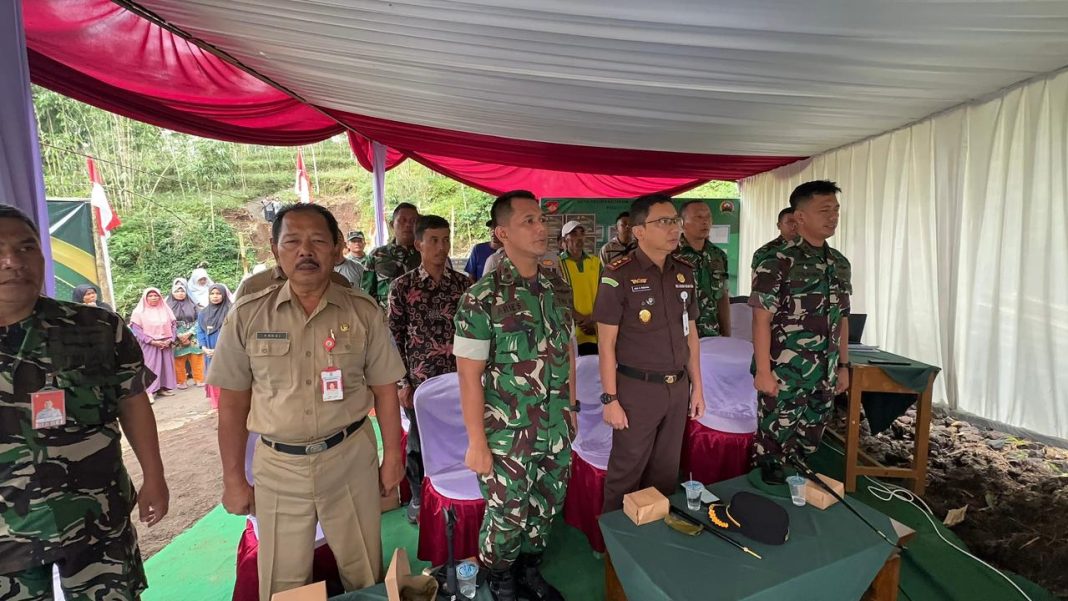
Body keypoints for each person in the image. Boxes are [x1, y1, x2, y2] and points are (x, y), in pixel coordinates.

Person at [209, 203, 406, 600]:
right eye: (292, 241)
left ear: (336, 248)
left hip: (350, 457)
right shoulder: (248, 315)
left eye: (317, 240)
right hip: (278, 467)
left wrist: (392, 459)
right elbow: (231, 404)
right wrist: (233, 478)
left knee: (363, 570)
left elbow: (386, 390)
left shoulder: (363, 311)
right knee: (283, 581)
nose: (305, 251)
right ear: (275, 249)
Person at [0, 204, 168, 599]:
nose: (13, 262)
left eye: (26, 247)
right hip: (6, 532)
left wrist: (154, 476)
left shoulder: (97, 327)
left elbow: (132, 402)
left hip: (97, 515)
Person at [453, 190, 577, 601]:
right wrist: (476, 442)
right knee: (506, 515)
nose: (542, 228)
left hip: (555, 426)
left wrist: (572, 409)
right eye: (529, 221)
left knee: (547, 505)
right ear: (502, 233)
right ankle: (501, 577)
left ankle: (529, 569)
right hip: (507, 435)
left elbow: (567, 352)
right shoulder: (480, 298)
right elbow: (468, 377)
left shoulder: (557, 288)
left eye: (542, 219)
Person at [592, 194, 706, 512]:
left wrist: (697, 387)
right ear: (639, 231)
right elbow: (605, 344)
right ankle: (614, 540)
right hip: (637, 389)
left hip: (677, 387)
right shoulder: (618, 273)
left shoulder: (684, 272)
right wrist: (610, 399)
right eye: (663, 222)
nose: (674, 228)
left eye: (675, 221)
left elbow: (691, 335)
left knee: (666, 473)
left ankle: (655, 534)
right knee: (626, 472)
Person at [749, 180, 852, 484]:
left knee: (808, 444)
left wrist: (843, 366)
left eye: (836, 210)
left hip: (824, 373)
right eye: (824, 210)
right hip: (784, 373)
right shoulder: (777, 261)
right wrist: (763, 372)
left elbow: (842, 318)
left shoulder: (839, 263)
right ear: (800, 216)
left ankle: (798, 488)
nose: (832, 216)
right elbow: (760, 320)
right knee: (772, 450)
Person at [388, 215, 470, 524]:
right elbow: (393, 338)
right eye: (434, 240)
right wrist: (402, 383)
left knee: (462, 436)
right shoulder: (402, 287)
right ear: (419, 244)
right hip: (421, 383)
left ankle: (457, 493)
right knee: (419, 443)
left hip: (461, 378)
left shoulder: (464, 284)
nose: (441, 247)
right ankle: (420, 497)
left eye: (446, 240)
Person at [675, 200, 731, 337]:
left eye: (708, 217)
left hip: (712, 334)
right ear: (682, 223)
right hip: (680, 336)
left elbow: (722, 296)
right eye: (698, 217)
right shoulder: (671, 254)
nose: (705, 222)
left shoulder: (718, 255)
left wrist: (727, 335)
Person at [362, 203, 421, 305]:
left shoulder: (427, 255)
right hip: (385, 314)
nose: (408, 225)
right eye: (402, 220)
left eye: (413, 221)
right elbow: (366, 295)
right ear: (392, 224)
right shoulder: (377, 255)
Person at [558, 220, 602, 355]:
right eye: (573, 234)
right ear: (564, 240)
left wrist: (593, 319)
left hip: (595, 328)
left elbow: (605, 293)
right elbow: (557, 297)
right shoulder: (557, 264)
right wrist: (579, 318)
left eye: (581, 233)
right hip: (571, 331)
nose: (579, 237)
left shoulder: (595, 262)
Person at [130, 288, 179, 399]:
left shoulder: (166, 310)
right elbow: (136, 329)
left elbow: (173, 325)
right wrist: (151, 341)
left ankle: (162, 388)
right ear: (145, 298)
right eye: (150, 296)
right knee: (151, 367)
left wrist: (170, 339)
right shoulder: (139, 312)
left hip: (165, 343)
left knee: (165, 366)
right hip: (149, 344)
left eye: (156, 295)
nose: (153, 298)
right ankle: (149, 392)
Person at [197, 283, 232, 411]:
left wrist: (219, 349)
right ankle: (217, 402)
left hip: (227, 349)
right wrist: (203, 347)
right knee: (213, 374)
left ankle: (229, 402)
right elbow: (200, 331)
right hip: (209, 350)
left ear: (224, 295)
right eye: (212, 293)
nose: (215, 296)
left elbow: (233, 331)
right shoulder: (203, 313)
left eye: (218, 293)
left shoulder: (231, 310)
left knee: (227, 374)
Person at [167, 278, 205, 389]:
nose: (180, 293)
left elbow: (200, 319)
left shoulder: (192, 303)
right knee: (179, 359)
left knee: (197, 357)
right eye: (177, 291)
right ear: (172, 293)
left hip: (193, 333)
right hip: (176, 335)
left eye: (182, 291)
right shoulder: (167, 306)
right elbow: (166, 322)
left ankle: (199, 379)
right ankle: (181, 381)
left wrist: (189, 333)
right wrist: (179, 335)